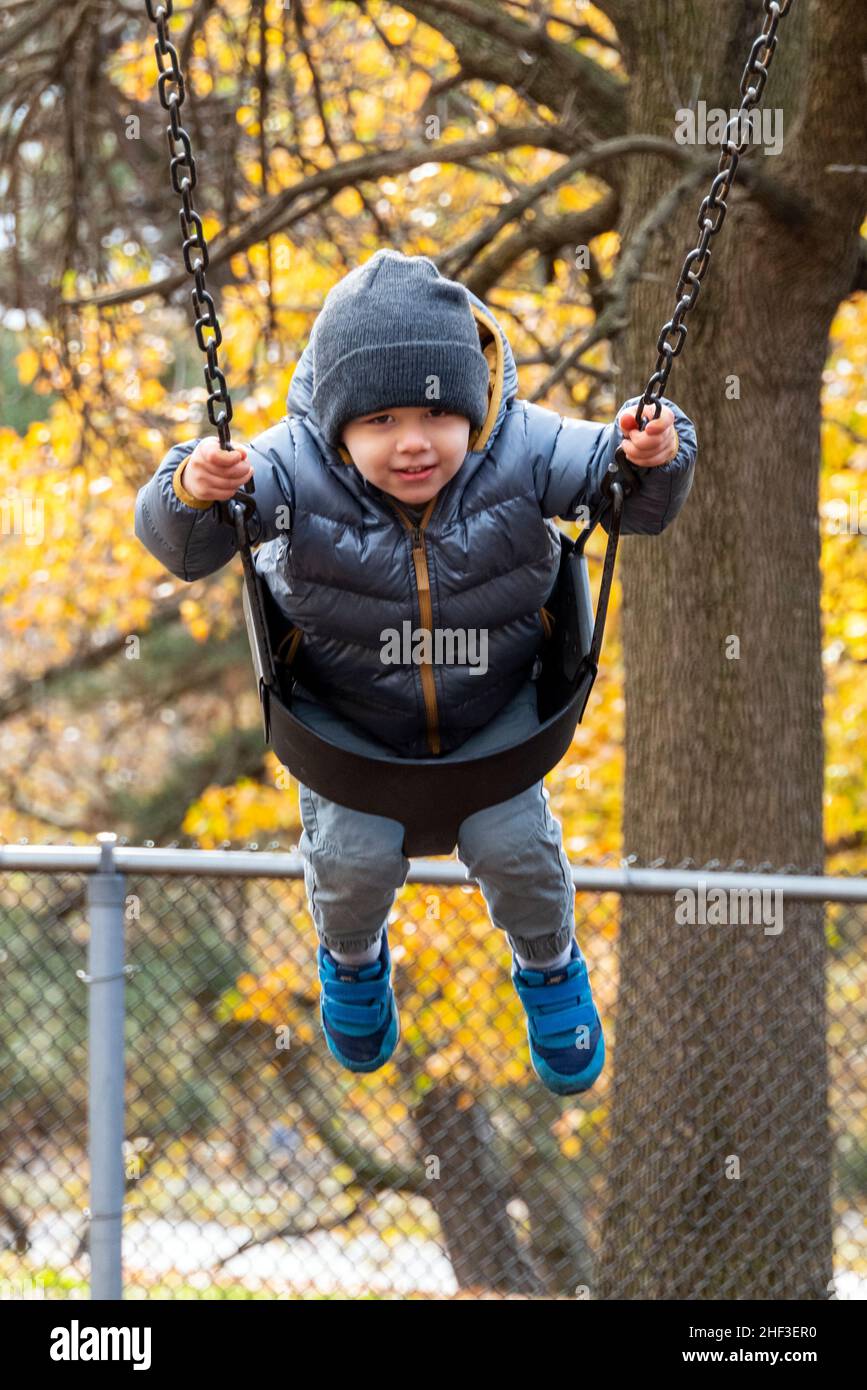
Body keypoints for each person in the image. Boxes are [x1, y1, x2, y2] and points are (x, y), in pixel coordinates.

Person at [135, 248, 698, 1095]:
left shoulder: (524, 446)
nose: (411, 444)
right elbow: (184, 546)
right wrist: (190, 484)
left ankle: (548, 970)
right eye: (380, 422)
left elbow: (625, 487)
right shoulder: (291, 461)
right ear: (339, 426)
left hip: (497, 712)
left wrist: (655, 447)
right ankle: (354, 961)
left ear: (472, 408)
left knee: (517, 850)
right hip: (347, 723)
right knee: (352, 861)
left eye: (436, 417)